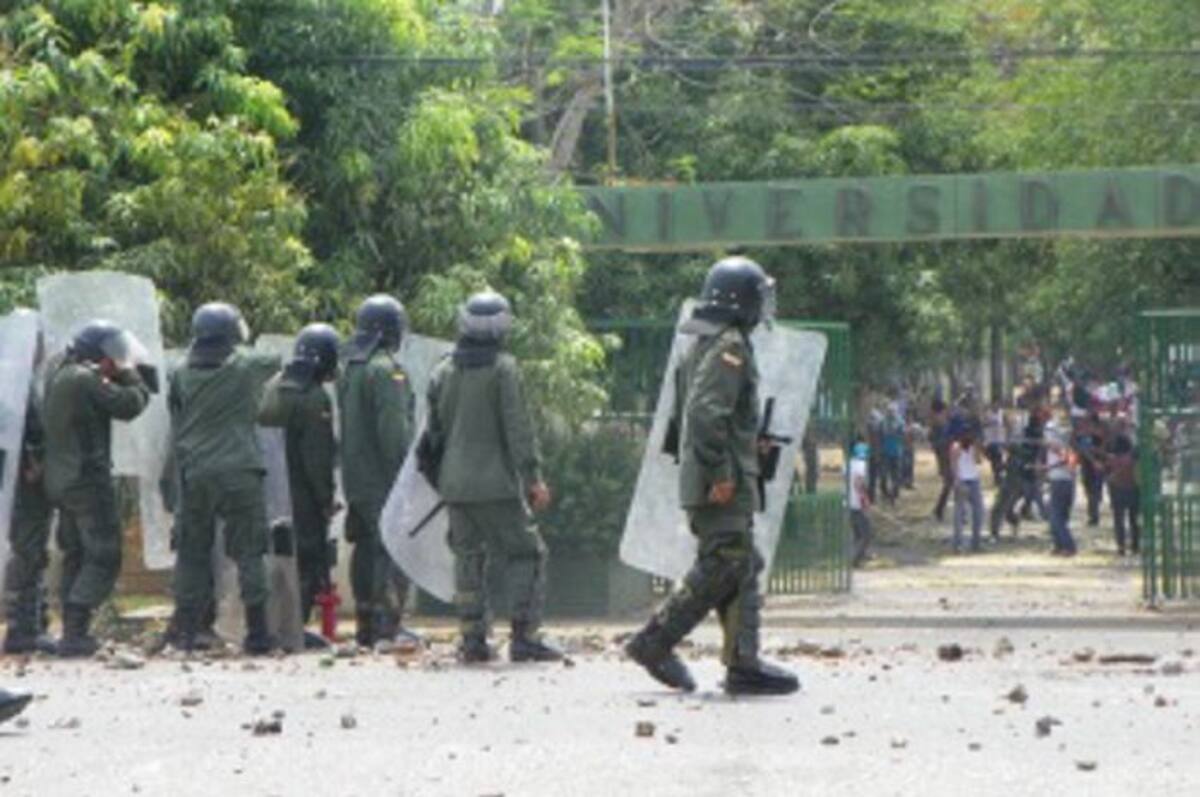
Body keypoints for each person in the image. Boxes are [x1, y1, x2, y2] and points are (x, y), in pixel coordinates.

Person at [625, 256, 798, 696]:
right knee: (725, 561)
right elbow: (704, 415)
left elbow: (700, 415)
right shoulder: (729, 345)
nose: (764, 307)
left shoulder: (704, 341)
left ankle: (743, 663)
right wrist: (720, 470)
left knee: (740, 562)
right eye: (760, 297)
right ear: (740, 300)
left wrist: (743, 445)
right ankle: (656, 640)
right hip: (720, 481)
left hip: (713, 474)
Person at [424, 291, 561, 664]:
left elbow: (432, 435)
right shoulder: (504, 368)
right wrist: (533, 477)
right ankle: (524, 636)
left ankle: (472, 640)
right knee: (527, 552)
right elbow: (518, 429)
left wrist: (443, 480)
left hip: (455, 486)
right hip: (497, 484)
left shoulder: (443, 370)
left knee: (468, 559)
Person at [167, 303, 280, 654]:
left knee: (191, 550)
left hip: (195, 471)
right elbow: (276, 360)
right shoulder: (246, 366)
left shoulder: (180, 371)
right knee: (249, 550)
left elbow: (176, 416)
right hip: (239, 471)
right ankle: (258, 633)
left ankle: (187, 631)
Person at [42, 321, 151, 656]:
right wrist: (132, 375)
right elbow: (129, 405)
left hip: (61, 479)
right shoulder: (82, 379)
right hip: (86, 479)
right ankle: (76, 625)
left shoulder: (58, 372)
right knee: (104, 553)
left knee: (76, 551)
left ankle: (73, 633)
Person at [338, 295, 418, 648]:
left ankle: (367, 625)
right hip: (386, 479)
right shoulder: (387, 371)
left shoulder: (351, 369)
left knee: (366, 547)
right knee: (392, 548)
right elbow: (394, 432)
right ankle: (389, 626)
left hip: (357, 477)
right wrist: (408, 477)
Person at [257, 324, 340, 642]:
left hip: (269, 488)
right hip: (301, 492)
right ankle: (295, 628)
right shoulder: (314, 396)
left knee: (276, 554)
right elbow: (317, 457)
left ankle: (273, 623)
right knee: (307, 557)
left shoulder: (272, 385)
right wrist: (325, 499)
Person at [3, 316, 55, 655]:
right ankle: (24, 627)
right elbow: (17, 431)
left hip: (22, 479)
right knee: (29, 551)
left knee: (30, 551)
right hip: (25, 482)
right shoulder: (15, 382)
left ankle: (33, 621)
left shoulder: (17, 378)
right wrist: (32, 463)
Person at [1105, 421, 1140, 556]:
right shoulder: (1133, 455)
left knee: (1121, 519)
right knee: (1132, 519)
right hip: (1131, 489)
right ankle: (1133, 546)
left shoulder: (1117, 458)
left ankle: (1123, 546)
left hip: (1120, 489)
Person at [1043, 419, 1077, 556]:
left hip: (1059, 481)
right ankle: (1058, 545)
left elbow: (1067, 459)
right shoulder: (1066, 443)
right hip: (1064, 480)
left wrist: (1047, 467)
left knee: (1056, 516)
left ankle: (1068, 546)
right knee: (1059, 515)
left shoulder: (1057, 445)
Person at [950, 430, 985, 553]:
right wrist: (957, 481)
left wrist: (977, 449)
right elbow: (954, 465)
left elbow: (978, 461)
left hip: (974, 479)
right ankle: (957, 543)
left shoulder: (972, 447)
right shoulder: (956, 447)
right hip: (962, 480)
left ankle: (976, 542)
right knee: (959, 514)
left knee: (979, 512)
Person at [1074, 411, 1107, 526]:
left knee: (1094, 491)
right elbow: (1078, 446)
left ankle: (1094, 515)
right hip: (1087, 465)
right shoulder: (1082, 434)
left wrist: (1097, 457)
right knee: (1089, 491)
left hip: (1096, 465)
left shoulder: (1099, 434)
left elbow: (1103, 447)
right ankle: (1092, 513)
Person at [848, 442, 872, 567]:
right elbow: (859, 484)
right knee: (866, 535)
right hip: (857, 504)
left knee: (857, 533)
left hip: (848, 503)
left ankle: (859, 555)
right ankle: (856, 560)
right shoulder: (861, 465)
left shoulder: (848, 464)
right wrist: (864, 501)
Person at [929, 396, 953, 521]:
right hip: (946, 455)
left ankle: (939, 509)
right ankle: (939, 509)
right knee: (950, 482)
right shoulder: (940, 423)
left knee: (949, 483)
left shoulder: (936, 423)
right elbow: (943, 440)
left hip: (944, 455)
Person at [982, 401, 1007, 486]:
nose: (996, 406)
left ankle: (998, 478)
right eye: (994, 404)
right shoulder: (988, 414)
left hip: (999, 440)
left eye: (997, 405)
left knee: (998, 458)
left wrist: (1005, 438)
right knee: (993, 460)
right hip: (990, 440)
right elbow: (984, 425)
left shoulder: (1002, 413)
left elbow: (1006, 425)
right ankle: (997, 477)